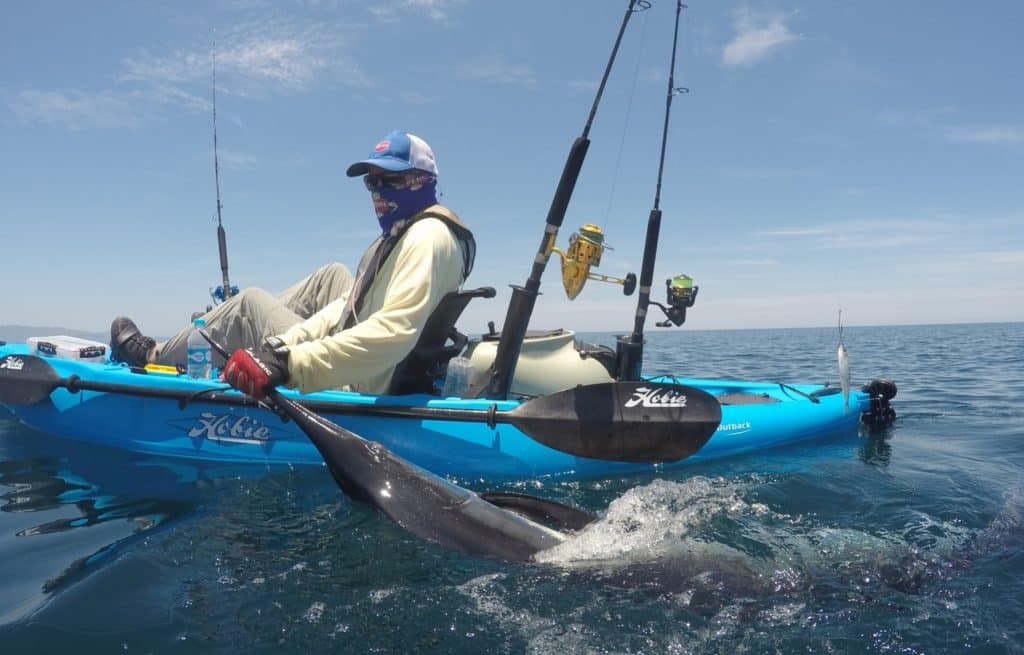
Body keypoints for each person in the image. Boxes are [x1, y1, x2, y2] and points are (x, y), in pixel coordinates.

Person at [110, 131, 475, 399]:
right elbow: (340, 310)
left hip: (364, 379)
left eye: (389, 181)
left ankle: (160, 352)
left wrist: (289, 362)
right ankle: (230, 331)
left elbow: (393, 335)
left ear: (421, 181)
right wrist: (281, 347)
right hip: (372, 360)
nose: (378, 192)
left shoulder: (427, 237)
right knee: (332, 276)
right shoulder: (408, 232)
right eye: (371, 183)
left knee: (251, 302)